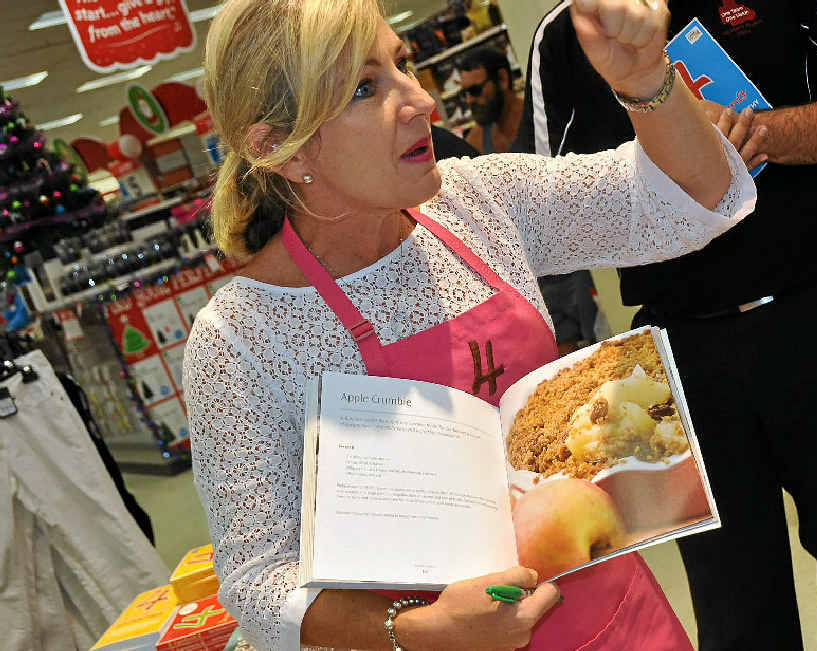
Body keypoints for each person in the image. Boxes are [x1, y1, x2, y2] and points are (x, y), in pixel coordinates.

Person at [184, 0, 760, 649]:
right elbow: (257, 576)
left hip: (620, 620)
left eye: (402, 63)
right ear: (278, 150)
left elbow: (694, 198)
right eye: (365, 88)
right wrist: (421, 628)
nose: (421, 100)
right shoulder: (243, 337)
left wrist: (647, 81)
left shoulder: (476, 203)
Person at [519, 1, 817, 649]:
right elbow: (540, 211)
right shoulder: (565, 32)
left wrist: (756, 134)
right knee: (733, 607)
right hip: (677, 354)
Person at [457, 47, 523, 154]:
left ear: (502, 79)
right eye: (464, 94)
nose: (469, 100)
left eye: (475, 90)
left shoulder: (541, 121)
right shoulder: (475, 141)